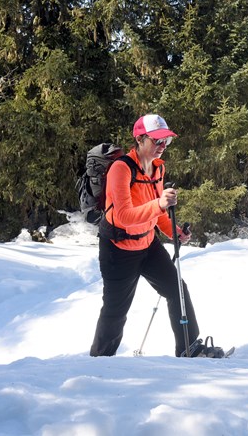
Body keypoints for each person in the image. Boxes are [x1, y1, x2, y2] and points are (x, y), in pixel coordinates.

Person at [90, 114, 224, 358]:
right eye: (157, 140)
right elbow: (124, 216)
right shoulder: (121, 169)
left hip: (148, 244)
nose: (163, 146)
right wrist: (160, 204)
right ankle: (100, 361)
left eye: (166, 140)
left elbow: (156, 212)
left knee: (177, 290)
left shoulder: (158, 168)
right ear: (140, 139)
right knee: (116, 310)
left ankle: (189, 348)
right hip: (118, 249)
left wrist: (175, 232)